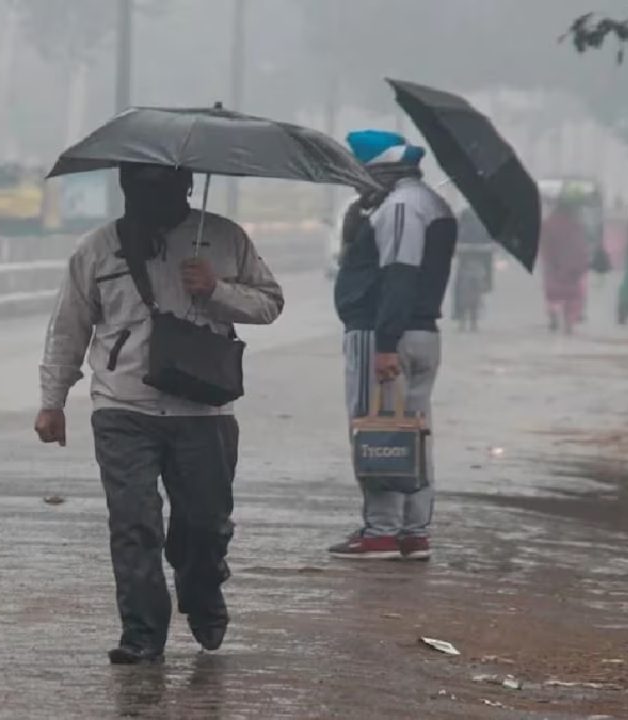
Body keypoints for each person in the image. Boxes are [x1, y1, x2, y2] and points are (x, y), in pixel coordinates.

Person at [35, 163, 284, 664]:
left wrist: (217, 290)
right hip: (123, 406)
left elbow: (270, 303)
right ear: (124, 188)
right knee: (133, 523)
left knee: (204, 524)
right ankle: (142, 633)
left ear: (186, 186)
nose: (151, 197)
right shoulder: (97, 249)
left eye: (162, 187)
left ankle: (202, 590)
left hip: (205, 409)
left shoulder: (223, 238)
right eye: (139, 186)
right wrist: (52, 400)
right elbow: (69, 326)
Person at [329, 130, 458, 560]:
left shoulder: (402, 207)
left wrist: (385, 343)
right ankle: (412, 530)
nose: (355, 182)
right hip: (418, 334)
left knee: (378, 428)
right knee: (413, 432)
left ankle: (382, 531)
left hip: (386, 336)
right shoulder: (427, 201)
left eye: (359, 173)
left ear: (380, 169)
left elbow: (399, 275)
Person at [540, 198, 591, 334]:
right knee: (572, 296)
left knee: (553, 294)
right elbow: (581, 246)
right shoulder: (576, 225)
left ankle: (553, 314)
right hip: (572, 266)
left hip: (553, 264)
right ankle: (568, 322)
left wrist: (547, 259)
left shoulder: (549, 223)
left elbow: (544, 245)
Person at [451, 206, 495, 332]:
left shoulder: (464, 220)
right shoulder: (484, 219)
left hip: (466, 263)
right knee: (477, 289)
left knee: (460, 290)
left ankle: (462, 318)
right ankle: (472, 321)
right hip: (479, 262)